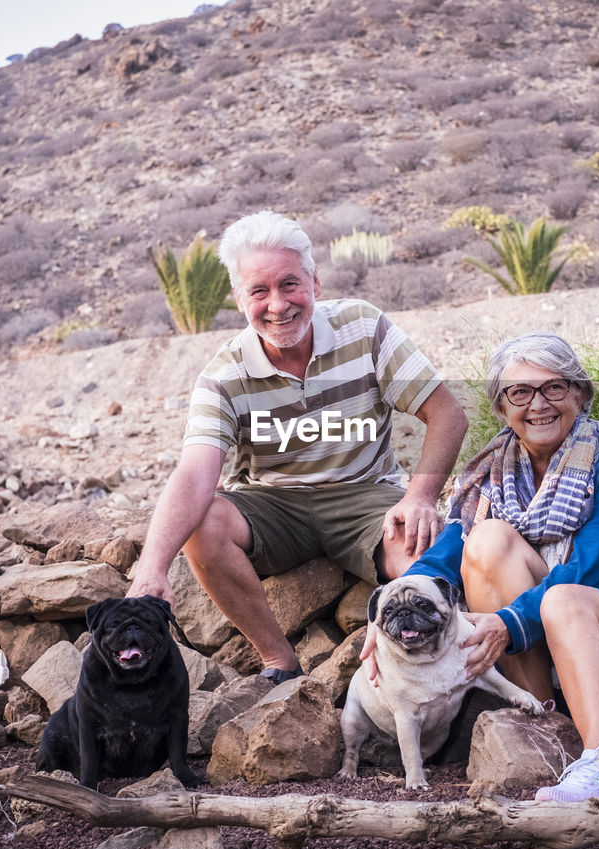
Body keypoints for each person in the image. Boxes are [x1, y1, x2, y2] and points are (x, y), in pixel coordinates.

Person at [128, 210, 467, 684]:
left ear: (315, 282)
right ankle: (280, 662)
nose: (278, 304)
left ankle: (442, 682)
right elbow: (194, 475)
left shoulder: (364, 327)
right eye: (259, 291)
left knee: (427, 564)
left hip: (365, 494)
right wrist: (152, 568)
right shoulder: (223, 376)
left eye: (290, 284)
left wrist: (421, 495)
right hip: (272, 505)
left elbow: (447, 412)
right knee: (202, 524)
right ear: (239, 298)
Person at [389, 331, 599, 803]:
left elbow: (588, 567)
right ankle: (546, 727)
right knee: (489, 538)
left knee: (565, 597)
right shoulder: (491, 472)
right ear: (502, 408)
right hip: (550, 637)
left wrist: (508, 622)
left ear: (579, 394)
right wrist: (384, 626)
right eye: (520, 392)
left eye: (554, 388)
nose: (538, 404)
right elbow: (448, 553)